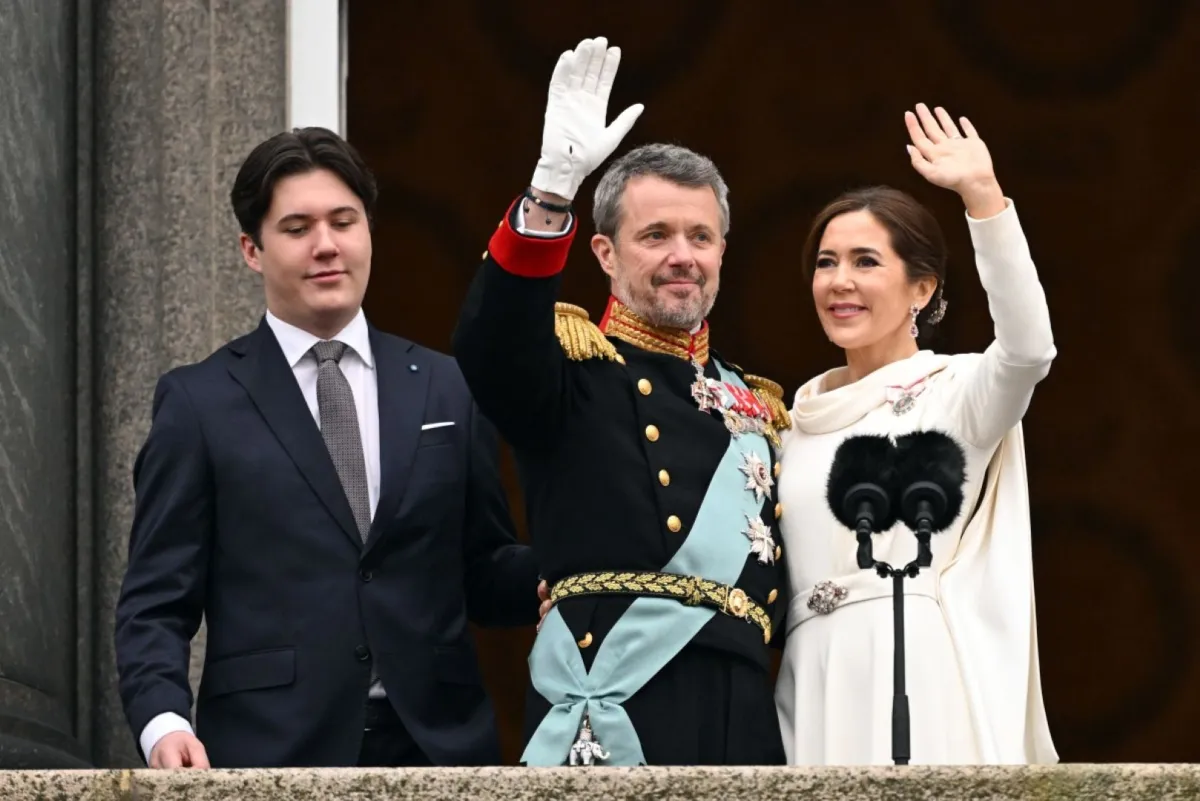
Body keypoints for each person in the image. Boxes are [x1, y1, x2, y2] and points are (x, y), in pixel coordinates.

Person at [113, 127, 540, 769]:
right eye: (296, 228)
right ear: (251, 250)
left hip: (437, 750)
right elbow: (155, 600)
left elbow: (481, 572)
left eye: (344, 221)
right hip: (269, 752)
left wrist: (572, 563)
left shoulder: (449, 388)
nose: (326, 246)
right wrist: (162, 721)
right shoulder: (198, 403)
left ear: (369, 232)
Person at [453, 37, 790, 766]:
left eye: (701, 236)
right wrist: (550, 193)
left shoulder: (758, 407)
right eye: (656, 235)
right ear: (605, 253)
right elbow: (490, 344)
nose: (683, 255)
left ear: (723, 252)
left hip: (740, 716)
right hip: (617, 701)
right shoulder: (572, 369)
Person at [773, 103, 1058, 764]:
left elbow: (1028, 351)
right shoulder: (788, 421)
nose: (840, 280)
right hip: (810, 674)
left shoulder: (957, 395)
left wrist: (983, 199)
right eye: (826, 262)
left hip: (916, 669)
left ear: (921, 288)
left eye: (866, 261)